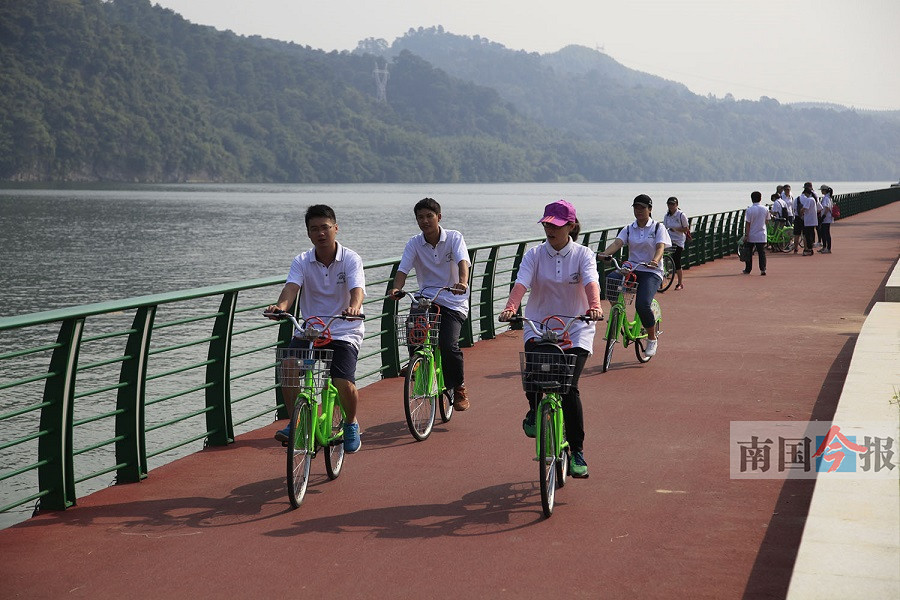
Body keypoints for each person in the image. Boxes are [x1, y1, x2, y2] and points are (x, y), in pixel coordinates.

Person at [498, 199, 602, 478]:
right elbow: (521, 283)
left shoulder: (583, 255)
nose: (549, 229)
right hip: (539, 324)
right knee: (533, 374)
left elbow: (592, 281)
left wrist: (595, 306)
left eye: (555, 225)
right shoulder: (534, 254)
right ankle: (534, 409)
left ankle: (577, 450)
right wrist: (510, 307)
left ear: (570, 225)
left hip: (576, 326)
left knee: (569, 388)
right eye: (546, 224)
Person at [267, 204, 366, 453]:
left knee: (343, 381)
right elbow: (291, 287)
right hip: (310, 330)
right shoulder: (302, 261)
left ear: (335, 228)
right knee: (288, 367)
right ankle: (296, 421)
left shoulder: (351, 259)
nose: (321, 233)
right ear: (309, 234)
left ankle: (351, 422)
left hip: (343, 329)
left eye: (325, 227)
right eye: (314, 229)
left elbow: (357, 290)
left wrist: (354, 307)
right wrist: (281, 306)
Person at [389, 197, 472, 411]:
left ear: (439, 217)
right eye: (420, 217)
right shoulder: (414, 243)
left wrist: (462, 282)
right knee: (412, 327)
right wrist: (397, 288)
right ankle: (415, 361)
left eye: (429, 216)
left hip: (453, 300)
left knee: (448, 344)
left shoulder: (454, 238)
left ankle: (459, 386)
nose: (425, 221)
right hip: (426, 298)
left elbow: (463, 261)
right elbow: (403, 270)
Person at [597, 194, 671, 357]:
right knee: (611, 280)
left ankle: (652, 339)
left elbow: (660, 247)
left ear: (649, 209)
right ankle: (618, 311)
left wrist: (655, 260)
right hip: (632, 269)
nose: (638, 211)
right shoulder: (629, 228)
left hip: (651, 271)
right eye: (636, 208)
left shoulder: (658, 228)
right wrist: (603, 254)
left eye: (642, 208)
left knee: (642, 304)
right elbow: (617, 243)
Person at [662, 196, 690, 290]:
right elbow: (664, 228)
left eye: (673, 204)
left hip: (679, 241)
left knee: (677, 260)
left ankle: (680, 283)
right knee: (662, 258)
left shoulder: (681, 215)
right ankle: (662, 279)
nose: (671, 206)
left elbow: (686, 228)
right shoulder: (667, 216)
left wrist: (676, 229)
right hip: (669, 240)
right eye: (669, 204)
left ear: (677, 205)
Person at [742, 191, 769, 275]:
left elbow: (748, 223)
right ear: (760, 198)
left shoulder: (749, 210)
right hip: (761, 234)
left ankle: (748, 269)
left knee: (749, 252)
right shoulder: (765, 209)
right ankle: (763, 269)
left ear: (752, 199)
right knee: (761, 253)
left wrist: (746, 235)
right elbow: (767, 221)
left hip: (751, 235)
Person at [797, 182, 821, 256]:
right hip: (813, 220)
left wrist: (800, 212)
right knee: (810, 234)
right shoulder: (813, 199)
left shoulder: (809, 200)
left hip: (808, 220)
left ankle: (809, 249)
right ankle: (810, 249)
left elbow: (804, 208)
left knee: (807, 235)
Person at [781, 184, 801, 253]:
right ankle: (786, 244)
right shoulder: (782, 196)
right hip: (784, 214)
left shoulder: (791, 195)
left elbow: (793, 205)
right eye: (786, 189)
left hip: (791, 214)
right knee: (786, 229)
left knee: (790, 228)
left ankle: (790, 243)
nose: (787, 191)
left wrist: (794, 213)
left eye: (788, 189)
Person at [818, 185, 834, 253]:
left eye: (822, 190)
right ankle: (825, 247)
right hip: (827, 218)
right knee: (823, 232)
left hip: (826, 218)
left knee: (826, 233)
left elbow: (827, 208)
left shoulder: (826, 198)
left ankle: (828, 248)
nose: (821, 191)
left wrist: (823, 216)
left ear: (824, 190)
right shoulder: (828, 197)